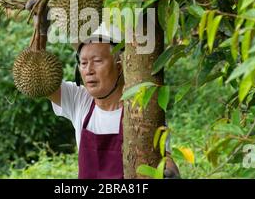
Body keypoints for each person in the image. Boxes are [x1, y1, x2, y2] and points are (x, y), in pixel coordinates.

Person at [46, 22, 180, 179]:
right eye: (83, 63)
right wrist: (41, 31)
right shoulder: (79, 101)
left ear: (120, 65)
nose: (88, 70)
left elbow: (164, 157)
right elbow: (40, 79)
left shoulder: (143, 111)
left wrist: (170, 171)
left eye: (97, 61)